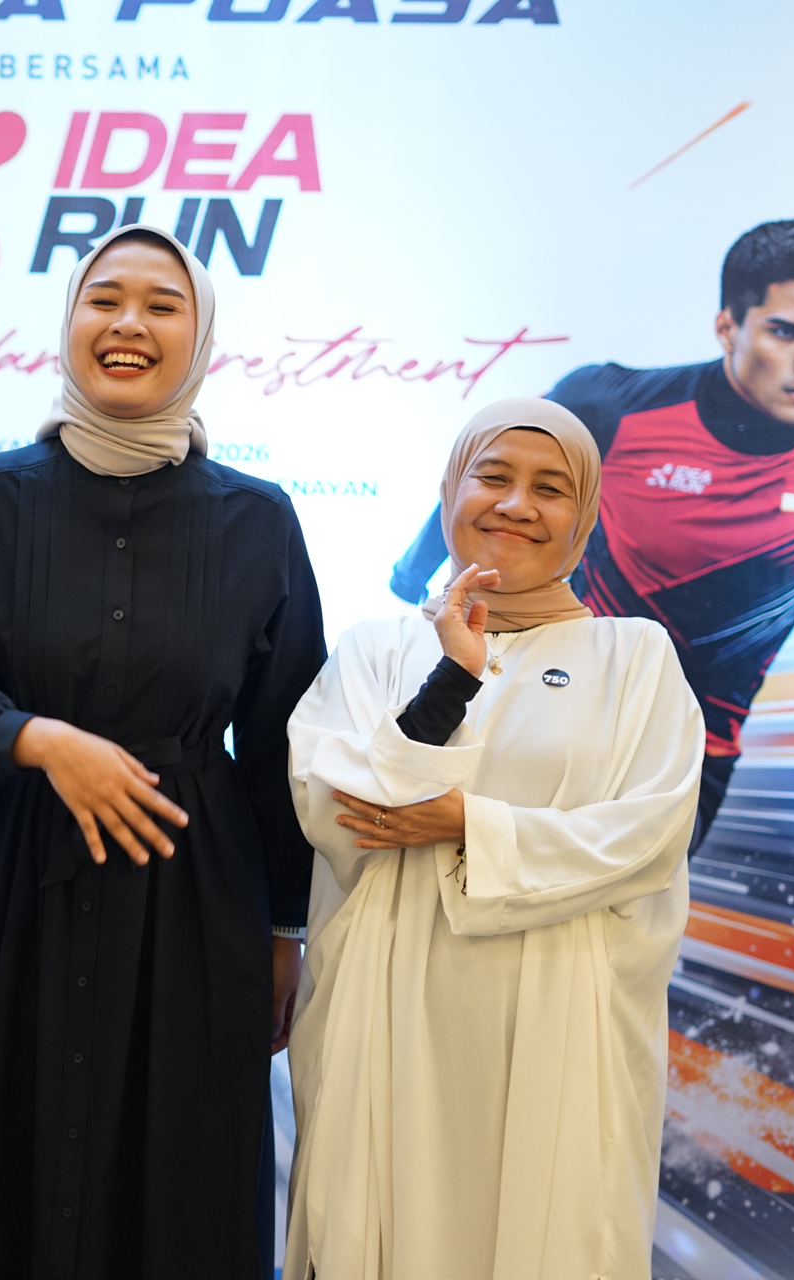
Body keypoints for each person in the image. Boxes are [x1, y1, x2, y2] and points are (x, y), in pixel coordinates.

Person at [0, 225, 326, 1280]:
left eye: (162, 304)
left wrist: (286, 927)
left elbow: (284, 743)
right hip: (4, 884)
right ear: (68, 322)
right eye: (103, 299)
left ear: (200, 335)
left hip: (190, 895)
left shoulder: (259, 521)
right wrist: (36, 737)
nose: (128, 323)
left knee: (170, 1178)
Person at [388, 220, 794, 846]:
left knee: (611, 905)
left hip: (691, 754)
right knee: (473, 884)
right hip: (542, 711)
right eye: (786, 332)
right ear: (728, 327)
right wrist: (410, 583)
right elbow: (481, 481)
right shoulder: (610, 401)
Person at [286, 398, 703, 1279]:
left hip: (561, 1018)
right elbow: (339, 806)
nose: (516, 504)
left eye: (551, 488)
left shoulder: (635, 657)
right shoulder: (375, 648)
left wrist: (469, 825)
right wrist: (453, 676)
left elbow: (649, 835)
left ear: (584, 517)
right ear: (450, 490)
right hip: (386, 1004)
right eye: (494, 476)